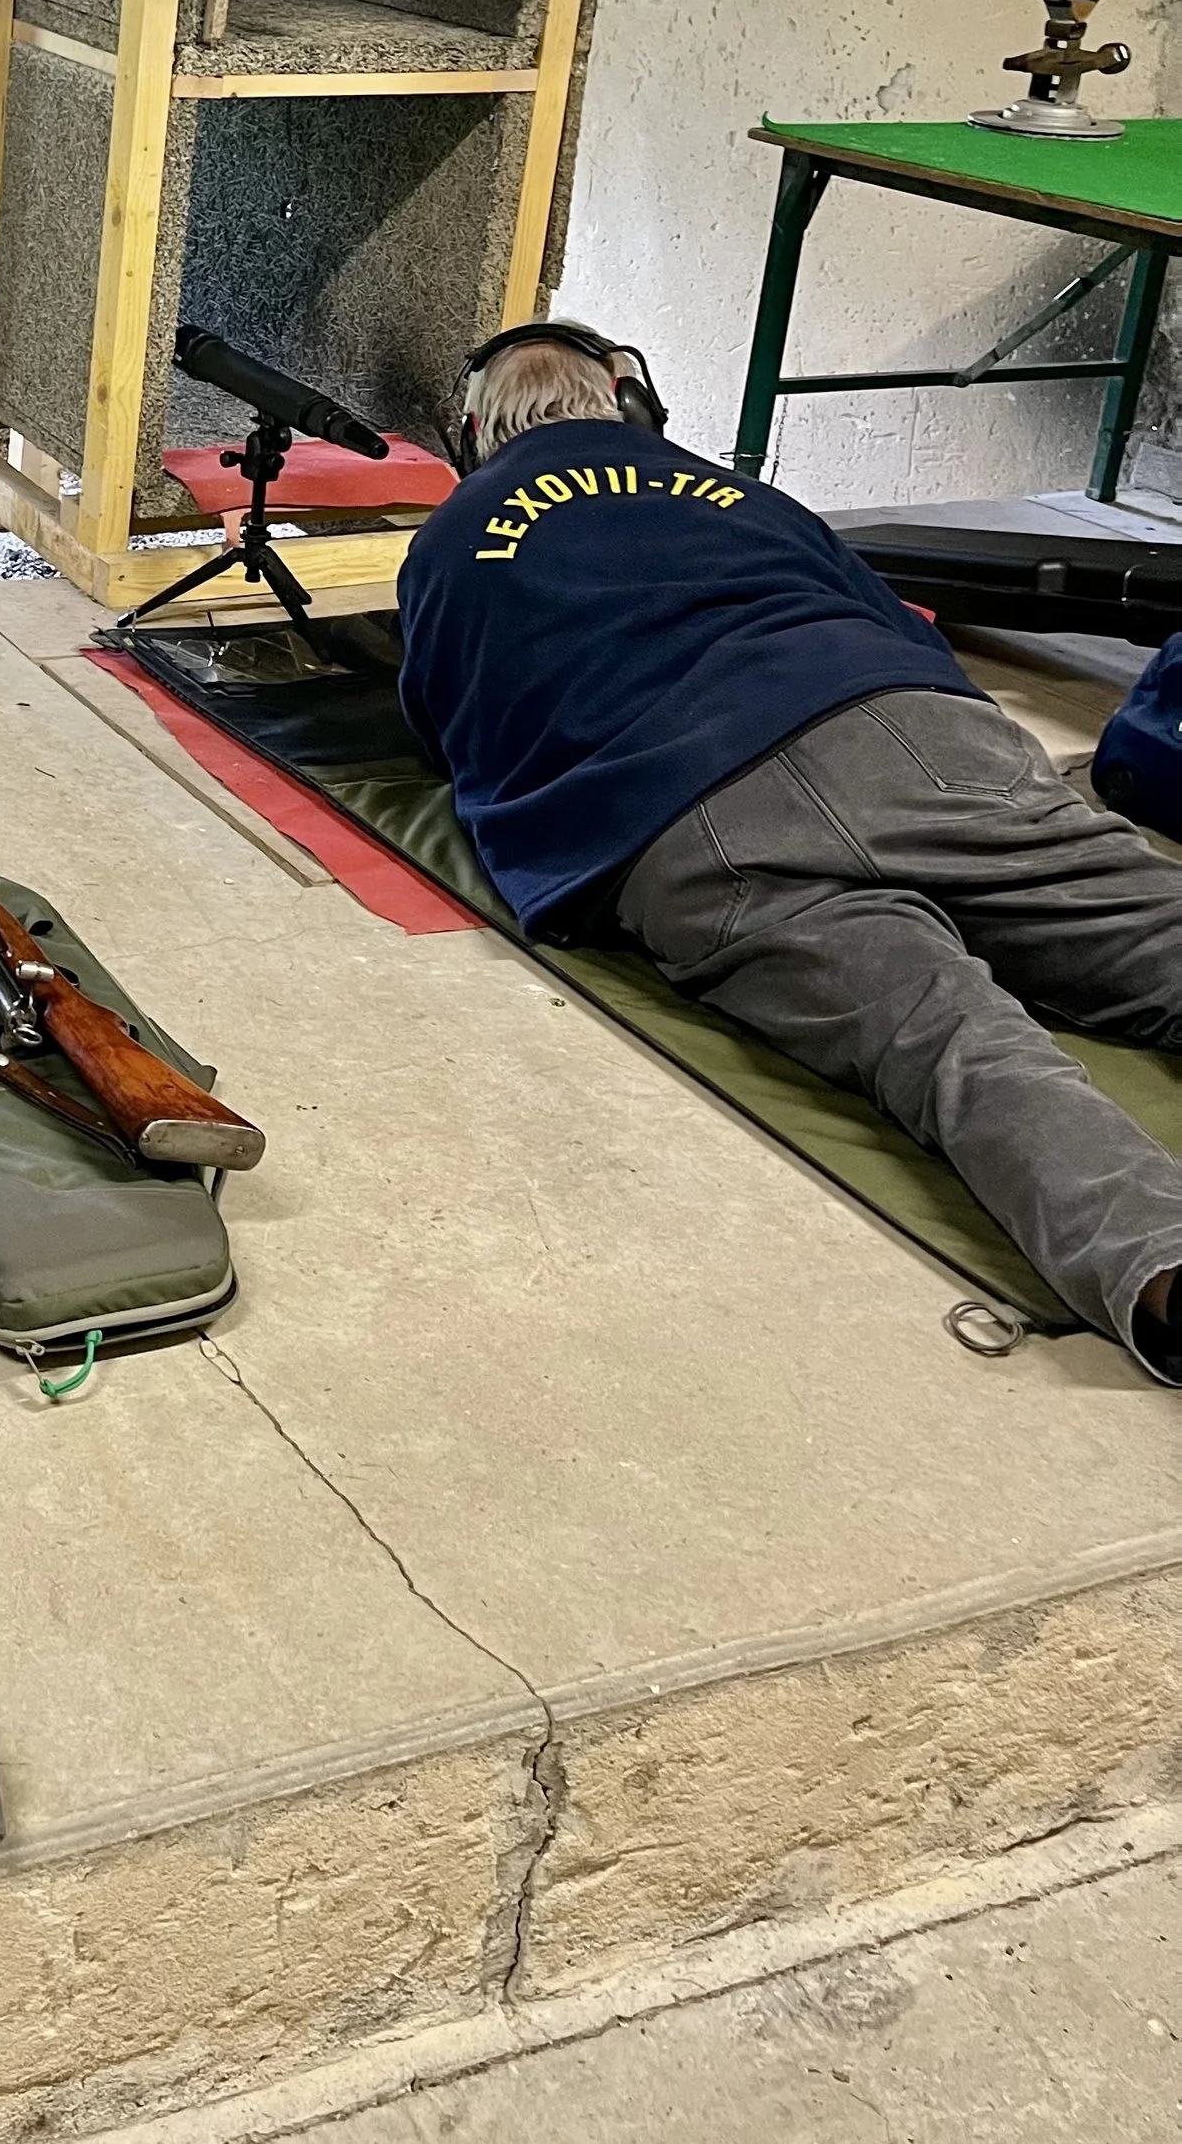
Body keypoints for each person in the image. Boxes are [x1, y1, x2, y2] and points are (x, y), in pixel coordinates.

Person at [399, 321, 1182, 1384]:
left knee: (951, 1048)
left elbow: (453, 728)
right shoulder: (747, 497)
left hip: (676, 816)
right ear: (632, 406)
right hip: (892, 731)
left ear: (474, 438)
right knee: (1159, 933)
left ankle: (1163, 1271)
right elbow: (907, 636)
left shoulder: (448, 542)